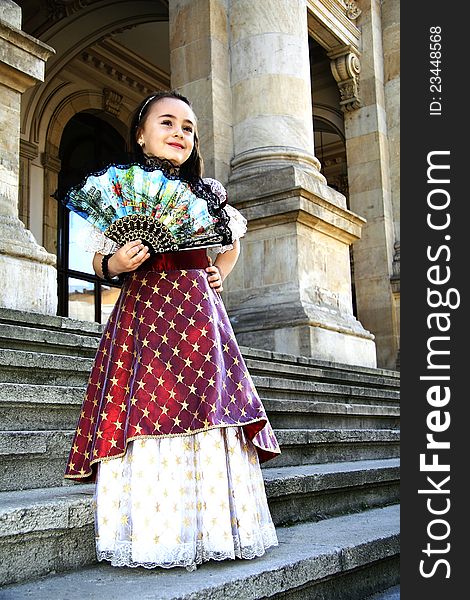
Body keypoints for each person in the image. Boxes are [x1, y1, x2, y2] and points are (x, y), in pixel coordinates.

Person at [64, 90, 281, 571]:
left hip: (198, 314)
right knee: (148, 404)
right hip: (143, 315)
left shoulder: (209, 194)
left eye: (188, 127)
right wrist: (114, 262)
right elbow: (98, 259)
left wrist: (221, 270)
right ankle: (161, 532)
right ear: (141, 135)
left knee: (206, 403)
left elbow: (229, 242)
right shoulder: (121, 191)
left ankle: (214, 526)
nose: (180, 133)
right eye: (167, 123)